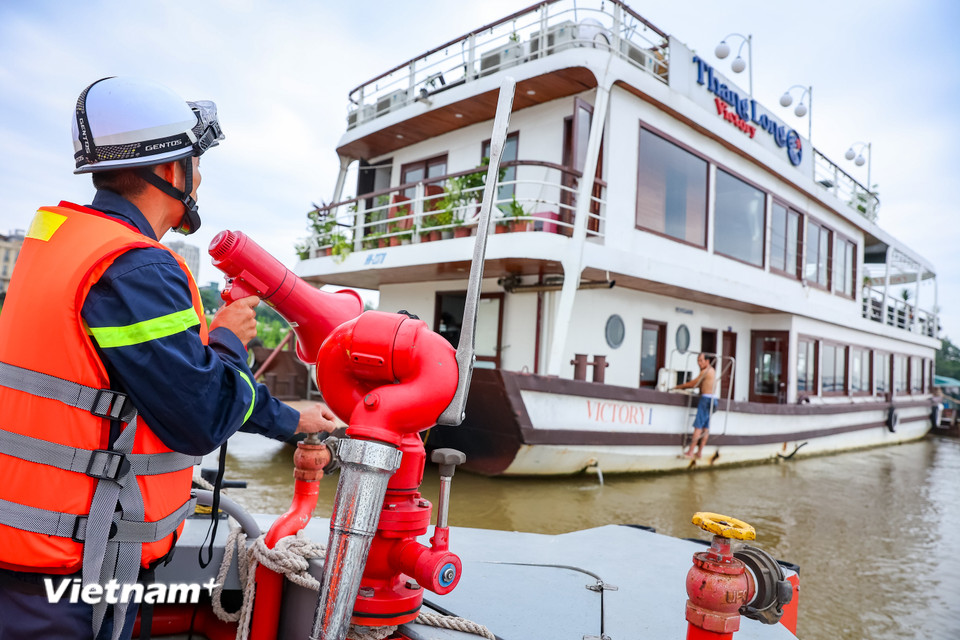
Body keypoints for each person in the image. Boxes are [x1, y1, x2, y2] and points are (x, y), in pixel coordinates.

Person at [0, 77, 339, 640]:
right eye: (197, 165)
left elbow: (157, 379)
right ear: (174, 171)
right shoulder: (139, 269)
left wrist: (291, 420)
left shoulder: (64, 245)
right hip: (69, 584)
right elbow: (199, 416)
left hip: (33, 554)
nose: (200, 180)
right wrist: (229, 339)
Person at [671, 353, 718, 459]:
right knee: (706, 427)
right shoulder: (712, 371)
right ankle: (699, 452)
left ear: (707, 361)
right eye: (698, 360)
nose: (699, 363)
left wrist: (677, 387)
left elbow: (693, 384)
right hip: (713, 399)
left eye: (701, 360)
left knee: (698, 427)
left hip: (706, 399)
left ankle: (690, 452)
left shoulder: (705, 371)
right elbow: (702, 384)